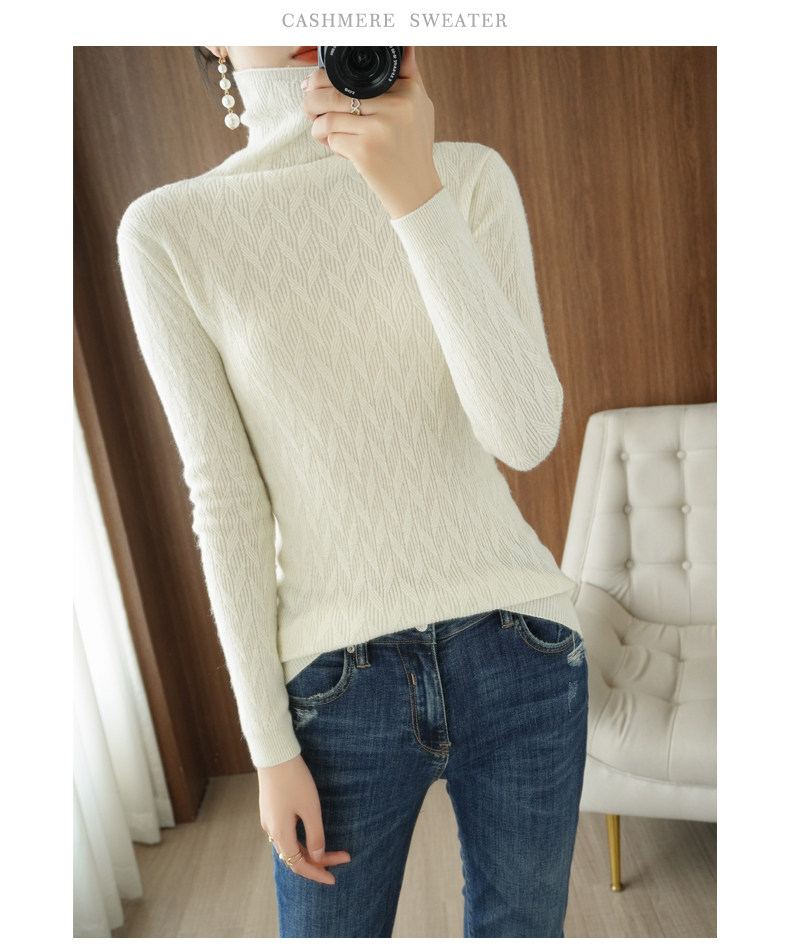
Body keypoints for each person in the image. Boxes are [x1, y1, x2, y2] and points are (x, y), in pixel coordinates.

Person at [116, 45, 589, 938]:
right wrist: (268, 748)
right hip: (337, 692)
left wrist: (415, 197)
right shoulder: (169, 230)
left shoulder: (466, 177)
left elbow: (525, 437)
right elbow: (226, 501)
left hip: (522, 647)